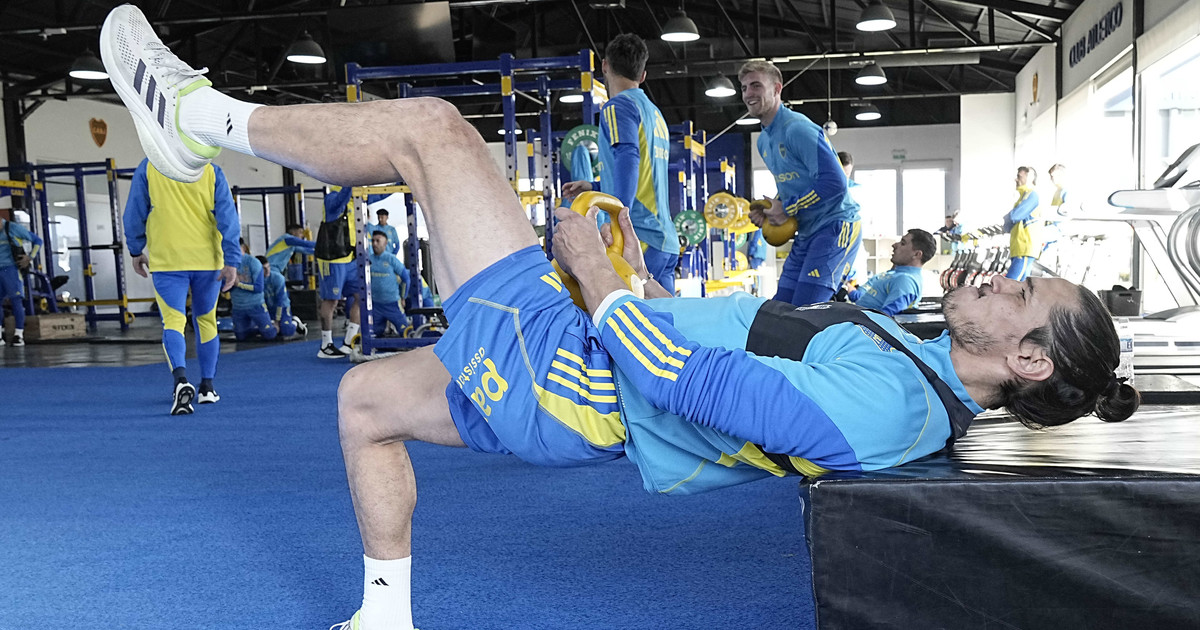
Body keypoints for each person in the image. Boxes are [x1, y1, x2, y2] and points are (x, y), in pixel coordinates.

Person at [98, 7, 1142, 628]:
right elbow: (740, 341)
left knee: (434, 133)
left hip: (578, 377)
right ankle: (386, 614)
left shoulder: (891, 411)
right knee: (366, 399)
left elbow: (697, 385)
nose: (1000, 279)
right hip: (585, 368)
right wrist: (640, 292)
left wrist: (600, 278)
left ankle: (193, 120)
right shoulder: (920, 360)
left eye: (1020, 294)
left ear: (1029, 361)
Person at [561, 34, 680, 296]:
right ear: (643, 75)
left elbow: (629, 157)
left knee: (628, 318)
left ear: (605, 66)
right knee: (668, 317)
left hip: (639, 238)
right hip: (665, 240)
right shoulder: (654, 112)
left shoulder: (618, 106)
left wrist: (617, 220)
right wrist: (594, 186)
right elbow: (644, 175)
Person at [123, 156, 239, 414]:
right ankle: (207, 387)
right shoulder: (210, 170)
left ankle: (180, 380)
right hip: (208, 261)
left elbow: (134, 212)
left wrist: (135, 249)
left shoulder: (149, 166)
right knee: (206, 320)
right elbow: (228, 218)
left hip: (167, 260)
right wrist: (232, 260)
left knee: (174, 321)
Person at [740, 60, 861, 306]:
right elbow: (791, 185)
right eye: (744, 88)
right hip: (806, 231)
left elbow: (835, 183)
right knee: (782, 309)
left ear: (777, 89)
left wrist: (787, 208)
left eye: (756, 85)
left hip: (835, 226)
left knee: (807, 311)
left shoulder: (797, 129)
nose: (748, 94)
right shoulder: (764, 141)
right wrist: (770, 209)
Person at [315, 185, 363, 358]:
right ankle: (326, 345)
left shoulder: (356, 197)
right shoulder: (332, 199)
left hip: (351, 258)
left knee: (360, 297)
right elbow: (341, 198)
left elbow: (376, 196)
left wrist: (400, 182)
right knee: (331, 300)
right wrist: (351, 180)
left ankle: (349, 341)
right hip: (333, 259)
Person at [843, 229, 935, 317]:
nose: (894, 245)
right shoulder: (895, 274)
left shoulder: (905, 281)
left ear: (917, 254)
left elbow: (886, 319)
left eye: (903, 243)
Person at [0, 212, 43, 347]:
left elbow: (38, 241)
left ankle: (19, 335)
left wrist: (30, 257)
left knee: (16, 300)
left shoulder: (13, 228)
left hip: (11, 269)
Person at [368, 231, 411, 337]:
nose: (374, 244)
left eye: (378, 241)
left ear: (385, 243)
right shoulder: (368, 260)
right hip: (375, 305)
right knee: (374, 335)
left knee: (405, 333)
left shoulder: (391, 259)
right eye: (373, 241)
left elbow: (406, 278)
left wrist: (403, 297)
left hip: (393, 304)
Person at [229, 253, 278, 342]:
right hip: (238, 307)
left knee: (269, 334)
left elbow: (259, 288)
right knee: (241, 337)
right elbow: (224, 288)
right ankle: (258, 327)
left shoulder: (253, 262)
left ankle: (276, 326)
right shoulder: (227, 263)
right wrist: (231, 281)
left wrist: (239, 284)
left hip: (256, 305)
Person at [1005, 166, 1040, 281]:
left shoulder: (1032, 195)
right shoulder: (1023, 197)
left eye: (1019, 176)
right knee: (1021, 284)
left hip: (1024, 247)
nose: (1016, 179)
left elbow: (1015, 216)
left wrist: (1007, 218)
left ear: (1030, 177)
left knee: (1010, 283)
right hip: (1019, 248)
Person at [262, 256, 304, 337]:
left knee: (286, 330)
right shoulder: (255, 280)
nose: (267, 271)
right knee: (265, 331)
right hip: (267, 308)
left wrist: (277, 321)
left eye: (268, 267)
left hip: (282, 308)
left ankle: (295, 323)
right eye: (264, 268)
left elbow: (280, 301)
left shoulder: (278, 278)